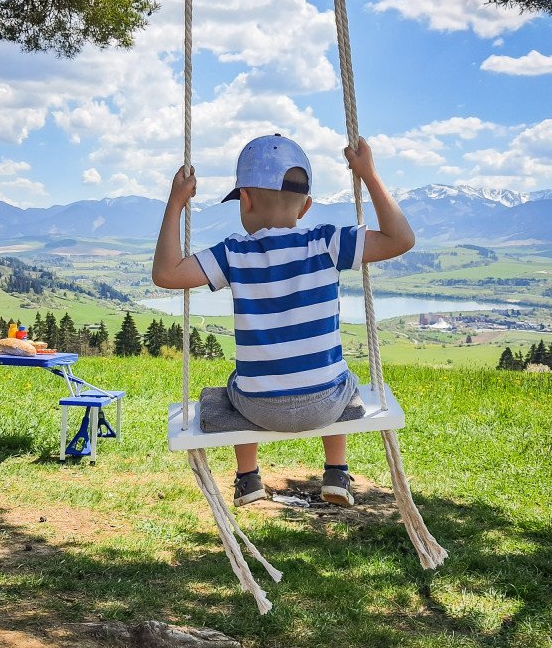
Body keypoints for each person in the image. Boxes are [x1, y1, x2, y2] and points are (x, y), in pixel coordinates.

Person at [152, 133, 414, 508]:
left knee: (227, 390)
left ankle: (248, 478)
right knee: (341, 375)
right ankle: (337, 472)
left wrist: (175, 204)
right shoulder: (328, 243)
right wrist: (368, 174)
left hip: (258, 407)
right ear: (306, 207)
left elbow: (166, 273)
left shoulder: (234, 253)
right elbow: (401, 238)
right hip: (325, 403)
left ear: (245, 199)